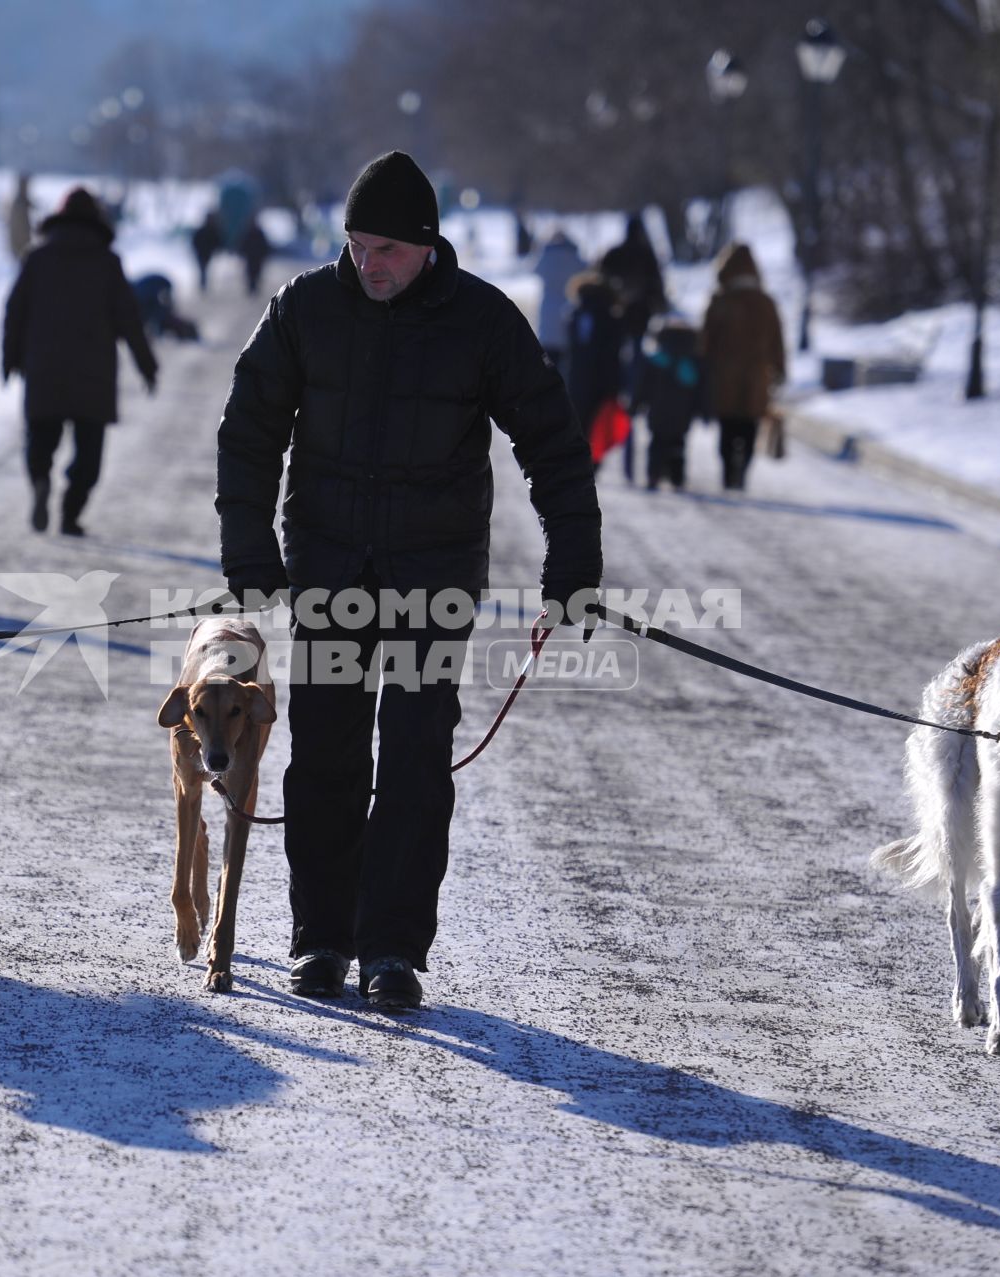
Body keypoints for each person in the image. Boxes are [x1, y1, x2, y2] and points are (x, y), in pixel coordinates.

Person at [216, 150, 602, 1011]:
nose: (369, 264)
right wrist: (250, 550)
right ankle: (321, 938)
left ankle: (391, 947)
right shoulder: (306, 307)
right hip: (329, 566)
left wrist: (572, 564)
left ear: (427, 244)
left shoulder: (482, 321)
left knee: (418, 756)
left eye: (386, 248)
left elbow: (552, 444)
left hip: (434, 574)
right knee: (324, 753)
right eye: (357, 245)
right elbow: (249, 430)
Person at [2, 187, 158, 536]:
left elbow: (15, 312)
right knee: (88, 455)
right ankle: (70, 514)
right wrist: (147, 365)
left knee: (40, 439)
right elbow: (129, 319)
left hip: (44, 367)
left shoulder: (37, 258)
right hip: (94, 373)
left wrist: (9, 358)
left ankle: (41, 479)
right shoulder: (108, 262)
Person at [700, 242, 785, 491]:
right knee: (749, 426)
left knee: (727, 427)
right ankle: (742, 471)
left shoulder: (720, 300)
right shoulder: (765, 303)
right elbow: (777, 340)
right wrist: (779, 369)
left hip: (723, 376)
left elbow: (705, 340)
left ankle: (728, 472)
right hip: (756, 378)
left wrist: (703, 368)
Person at [599, 214, 668, 482]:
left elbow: (599, 284)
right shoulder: (648, 256)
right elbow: (659, 295)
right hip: (639, 329)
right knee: (634, 391)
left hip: (613, 332)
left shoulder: (614, 255)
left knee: (611, 390)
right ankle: (630, 457)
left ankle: (603, 455)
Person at [634, 318, 705, 491]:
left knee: (657, 443)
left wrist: (636, 404)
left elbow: (644, 385)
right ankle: (677, 478)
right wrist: (703, 410)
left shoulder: (657, 359)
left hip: (658, 411)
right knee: (678, 445)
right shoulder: (693, 362)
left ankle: (653, 475)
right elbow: (701, 390)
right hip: (683, 413)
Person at [562, 270, 625, 465]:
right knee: (597, 427)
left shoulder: (574, 313)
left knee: (577, 424)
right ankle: (591, 464)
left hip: (577, 378)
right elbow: (615, 353)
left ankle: (578, 463)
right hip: (604, 380)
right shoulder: (611, 316)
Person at [532, 227, 584, 366]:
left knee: (549, 361)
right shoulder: (574, 258)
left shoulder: (546, 257)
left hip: (548, 309)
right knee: (568, 363)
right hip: (569, 309)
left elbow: (536, 269)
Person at [191, 210, 224, 293]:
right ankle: (203, 285)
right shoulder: (207, 230)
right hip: (202, 253)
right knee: (203, 269)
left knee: (203, 269)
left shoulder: (212, 230)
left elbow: (217, 241)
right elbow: (195, 241)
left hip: (205, 253)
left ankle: (203, 285)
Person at [237, 217, 270, 296]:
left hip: (257, 257)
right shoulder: (248, 233)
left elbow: (264, 245)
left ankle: (254, 288)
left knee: (256, 273)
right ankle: (251, 288)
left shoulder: (259, 233)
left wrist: (265, 254)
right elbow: (242, 244)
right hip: (250, 257)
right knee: (250, 273)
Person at [5, 172, 33, 261]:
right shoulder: (18, 203)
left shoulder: (23, 201)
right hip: (21, 244)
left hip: (25, 243)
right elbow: (16, 227)